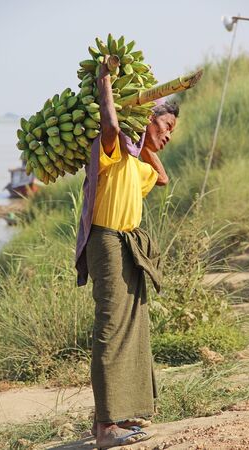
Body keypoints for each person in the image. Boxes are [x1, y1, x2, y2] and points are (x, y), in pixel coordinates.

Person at [75, 56, 179, 449]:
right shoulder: (113, 151)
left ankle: (125, 412)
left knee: (133, 327)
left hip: (128, 245)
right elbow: (113, 126)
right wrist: (106, 84)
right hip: (107, 242)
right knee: (110, 329)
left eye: (172, 131)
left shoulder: (138, 165)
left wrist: (150, 140)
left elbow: (163, 176)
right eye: (166, 126)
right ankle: (104, 427)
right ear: (145, 121)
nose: (169, 135)